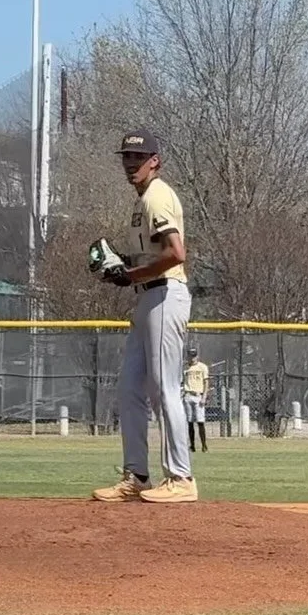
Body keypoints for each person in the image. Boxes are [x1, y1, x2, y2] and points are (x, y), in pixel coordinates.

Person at [88, 128, 198, 504]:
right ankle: (136, 475)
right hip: (149, 297)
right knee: (130, 388)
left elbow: (176, 253)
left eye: (139, 157)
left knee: (165, 388)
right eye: (126, 157)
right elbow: (152, 254)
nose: (131, 163)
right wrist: (119, 266)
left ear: (156, 161)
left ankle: (182, 478)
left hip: (166, 293)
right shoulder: (142, 201)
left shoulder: (157, 197)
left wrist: (130, 275)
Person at [183, 346, 209, 452]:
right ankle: (192, 445)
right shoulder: (185, 368)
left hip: (198, 396)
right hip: (188, 395)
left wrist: (204, 397)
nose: (192, 358)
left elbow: (206, 382)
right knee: (190, 422)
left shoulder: (202, 367)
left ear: (197, 356)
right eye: (190, 356)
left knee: (200, 421)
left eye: (194, 356)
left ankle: (204, 445)